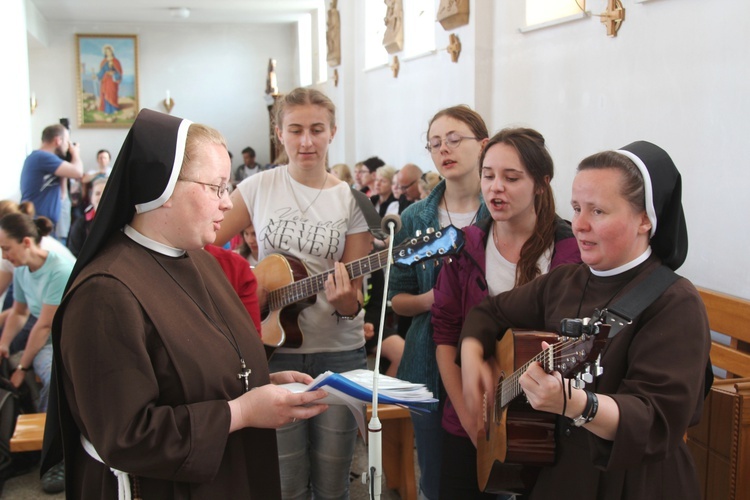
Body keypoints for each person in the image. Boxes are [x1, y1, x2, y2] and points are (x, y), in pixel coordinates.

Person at [41, 108, 329, 499]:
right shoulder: (106, 294)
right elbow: (125, 434)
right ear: (163, 188)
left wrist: (257, 384)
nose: (227, 204)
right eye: (216, 187)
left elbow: (197, 368)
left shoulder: (199, 259)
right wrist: (241, 411)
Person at [458, 141, 711, 499]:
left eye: (598, 212)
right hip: (557, 475)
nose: (578, 225)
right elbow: (488, 313)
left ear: (645, 219)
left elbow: (656, 420)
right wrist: (472, 362)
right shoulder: (565, 281)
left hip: (632, 484)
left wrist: (575, 404)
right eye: (576, 208)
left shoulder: (675, 303)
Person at [215, 87, 372, 499]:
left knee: (334, 478)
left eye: (317, 130)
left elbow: (354, 301)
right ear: (279, 132)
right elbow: (203, 244)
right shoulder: (256, 188)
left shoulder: (352, 200)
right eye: (296, 129)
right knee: (284, 480)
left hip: (339, 351)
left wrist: (346, 302)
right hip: (274, 347)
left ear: (332, 132)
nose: (306, 141)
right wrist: (248, 288)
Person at [431, 128, 582, 498]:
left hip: (546, 421)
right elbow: (446, 334)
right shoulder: (466, 246)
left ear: (541, 184)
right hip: (471, 414)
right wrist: (467, 409)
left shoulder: (570, 253)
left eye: (511, 178)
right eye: (489, 175)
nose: (496, 187)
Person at [388, 105, 490, 500]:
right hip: (428, 363)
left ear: (483, 145)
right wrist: (435, 299)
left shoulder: (498, 208)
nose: (443, 150)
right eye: (434, 144)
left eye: (453, 140)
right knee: (437, 480)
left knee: (493, 474)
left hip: (491, 359)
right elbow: (397, 298)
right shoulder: (414, 217)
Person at [0, 213, 75, 413]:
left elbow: (44, 326)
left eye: (6, 249)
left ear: (26, 242)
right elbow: (19, 312)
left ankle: (48, 437)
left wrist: (22, 369)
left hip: (71, 340)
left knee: (55, 382)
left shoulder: (60, 270)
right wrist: (3, 344)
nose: (4, 256)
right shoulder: (22, 270)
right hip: (48, 343)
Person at [20, 124, 84, 232]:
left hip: (45, 223)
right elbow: (78, 172)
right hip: (38, 222)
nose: (68, 146)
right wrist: (76, 153)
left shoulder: (40, 158)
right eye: (66, 141)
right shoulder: (43, 157)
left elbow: (62, 196)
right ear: (58, 140)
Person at [67, 175, 107, 257]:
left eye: (105, 193)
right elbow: (73, 252)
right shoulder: (81, 223)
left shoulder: (120, 222)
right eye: (97, 193)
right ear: (91, 198)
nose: (101, 197)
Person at [98, 44, 122, 114]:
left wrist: (114, 74)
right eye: (106, 52)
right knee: (106, 94)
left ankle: (114, 109)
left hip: (113, 81)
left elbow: (119, 72)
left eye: (109, 51)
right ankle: (107, 110)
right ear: (105, 53)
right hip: (106, 81)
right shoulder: (104, 62)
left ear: (111, 52)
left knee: (113, 94)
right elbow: (102, 71)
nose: (108, 53)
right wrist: (97, 76)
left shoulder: (116, 61)